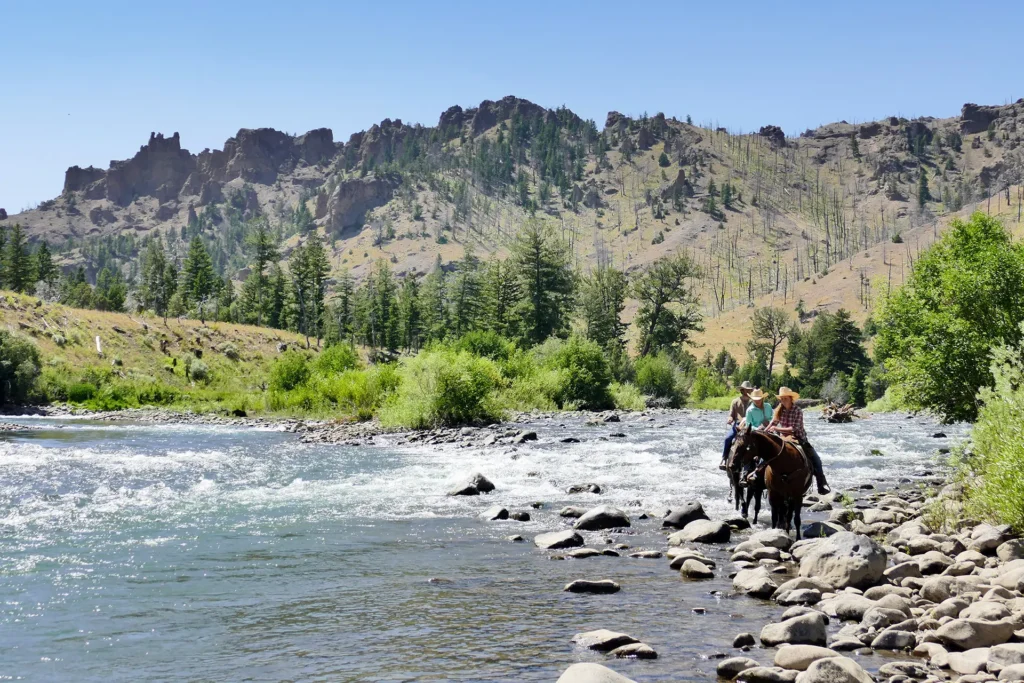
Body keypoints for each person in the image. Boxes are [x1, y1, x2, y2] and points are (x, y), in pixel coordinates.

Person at [768, 386, 831, 495]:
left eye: (785, 398)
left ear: (790, 399)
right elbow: (773, 423)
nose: (783, 401)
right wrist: (765, 430)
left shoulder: (797, 411)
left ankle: (821, 484)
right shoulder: (779, 410)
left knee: (816, 460)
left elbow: (793, 429)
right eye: (781, 399)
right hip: (782, 438)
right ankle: (759, 477)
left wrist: (777, 428)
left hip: (798, 438)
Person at [719, 381, 753, 470]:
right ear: (742, 390)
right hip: (738, 425)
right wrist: (730, 419)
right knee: (728, 438)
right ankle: (724, 458)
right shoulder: (735, 402)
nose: (747, 392)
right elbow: (731, 414)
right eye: (746, 390)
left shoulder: (753, 402)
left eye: (749, 390)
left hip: (750, 426)